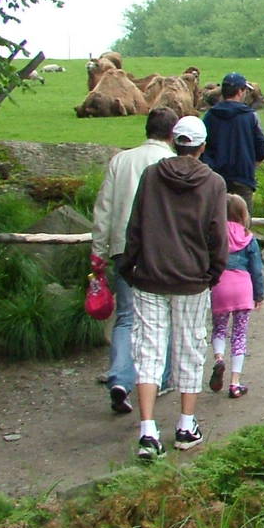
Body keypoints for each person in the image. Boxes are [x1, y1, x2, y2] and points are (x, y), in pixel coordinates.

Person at [120, 114, 229, 459]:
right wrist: (214, 271)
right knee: (189, 348)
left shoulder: (152, 176)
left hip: (150, 275)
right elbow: (218, 234)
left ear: (173, 141)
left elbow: (136, 225)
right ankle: (185, 425)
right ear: (202, 146)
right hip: (191, 278)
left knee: (149, 350)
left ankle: (148, 431)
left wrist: (128, 265)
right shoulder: (213, 183)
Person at [90, 107, 178, 414]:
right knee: (162, 315)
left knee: (126, 316)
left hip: (123, 247)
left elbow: (104, 209)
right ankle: (161, 377)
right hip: (160, 250)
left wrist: (98, 251)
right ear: (172, 133)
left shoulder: (121, 160)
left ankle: (120, 377)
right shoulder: (171, 163)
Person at [208, 194, 264, 399]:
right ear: (243, 214)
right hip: (243, 288)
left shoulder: (214, 236)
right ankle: (235, 383)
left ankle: (219, 359)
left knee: (219, 328)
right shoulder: (249, 237)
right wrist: (259, 295)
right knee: (239, 334)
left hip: (220, 286)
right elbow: (256, 270)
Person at [201, 71, 264, 208]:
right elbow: (261, 144)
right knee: (242, 218)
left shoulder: (210, 116)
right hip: (242, 177)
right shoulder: (250, 116)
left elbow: (202, 144)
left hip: (216, 177)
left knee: (217, 217)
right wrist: (252, 164)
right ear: (239, 92)